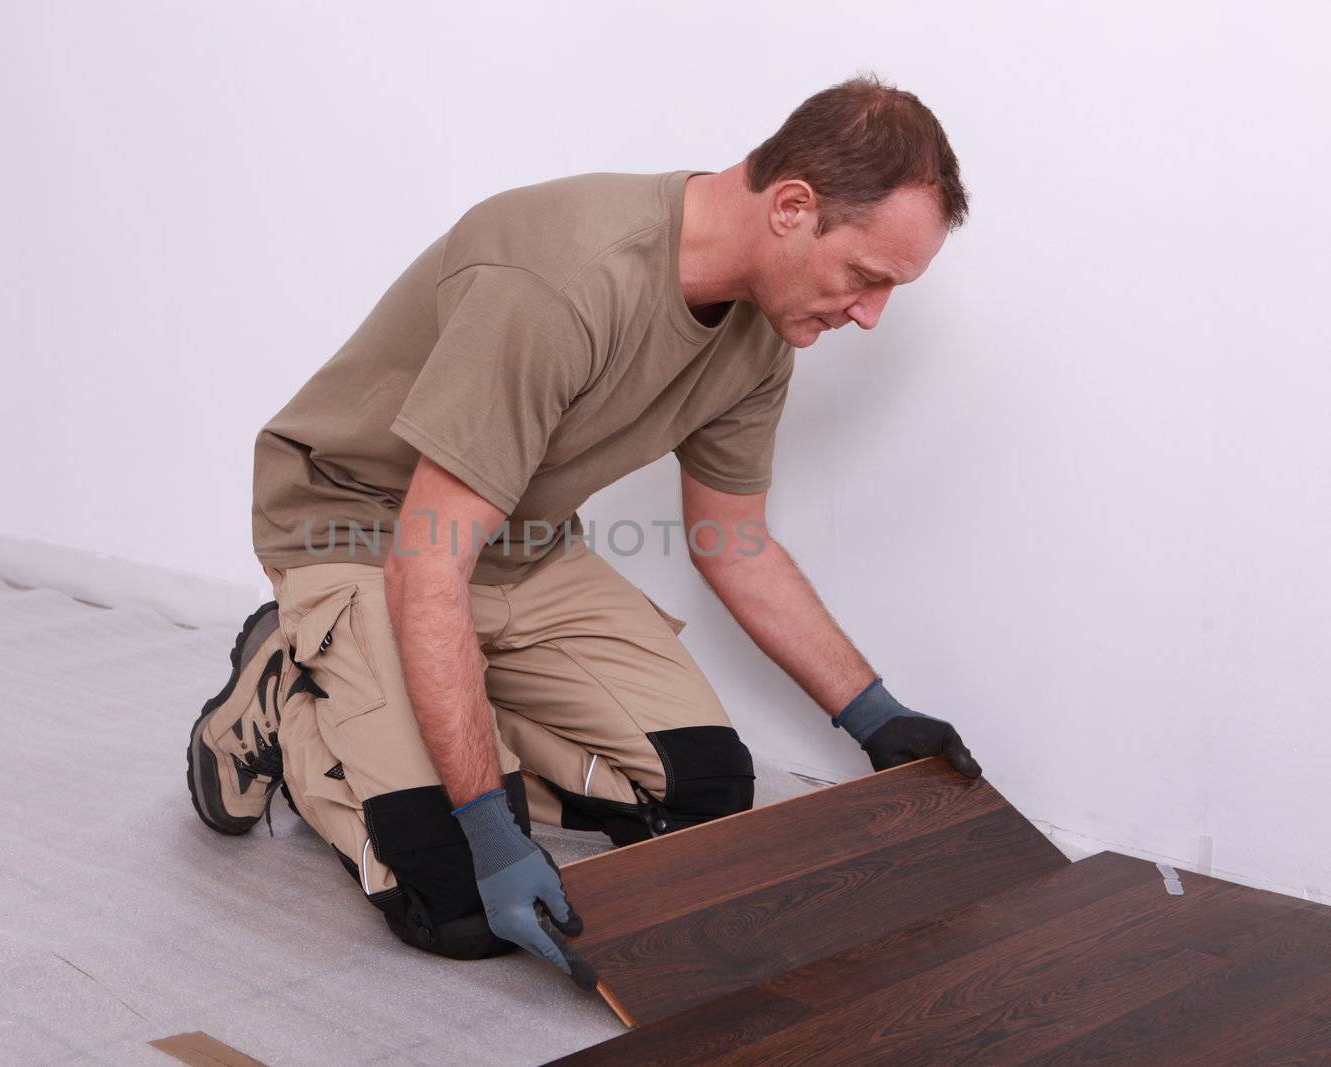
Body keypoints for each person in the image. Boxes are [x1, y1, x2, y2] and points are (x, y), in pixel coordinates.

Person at [186, 73, 982, 988]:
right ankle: (297, 699)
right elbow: (427, 564)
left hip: (518, 543)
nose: (871, 314)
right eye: (868, 277)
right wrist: (486, 825)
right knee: (459, 902)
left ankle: (426, 711)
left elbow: (734, 541)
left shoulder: (767, 326)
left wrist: (875, 715)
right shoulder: (561, 285)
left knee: (705, 799)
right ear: (794, 208)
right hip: (364, 533)